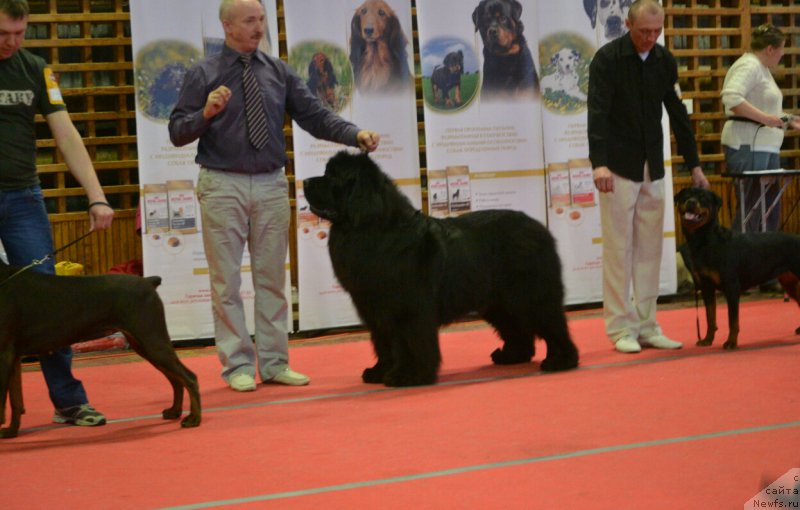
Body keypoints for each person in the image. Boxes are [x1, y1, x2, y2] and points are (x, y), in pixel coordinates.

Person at [169, 0, 380, 392]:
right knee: (226, 283)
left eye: (262, 19)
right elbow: (178, 131)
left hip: (270, 182)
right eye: (249, 20)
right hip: (222, 183)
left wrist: (355, 134)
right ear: (227, 25)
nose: (258, 27)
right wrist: (206, 114)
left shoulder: (278, 71)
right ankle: (237, 366)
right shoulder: (204, 73)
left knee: (272, 280)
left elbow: (315, 116)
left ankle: (275, 363)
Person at [0, 0, 114, 424]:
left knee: (48, 300)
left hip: (23, 199)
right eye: (2, 34)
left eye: (19, 33)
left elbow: (66, 134)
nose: (12, 42)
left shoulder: (35, 69)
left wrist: (96, 196)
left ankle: (68, 401)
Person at [587, 0, 709, 354]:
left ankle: (647, 324)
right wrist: (599, 163)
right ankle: (619, 328)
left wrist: (695, 164)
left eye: (657, 32)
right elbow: (597, 112)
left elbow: (678, 114)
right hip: (617, 167)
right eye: (644, 32)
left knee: (650, 250)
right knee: (619, 250)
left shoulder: (664, 60)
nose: (650, 38)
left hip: (652, 165)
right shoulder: (607, 60)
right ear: (628, 25)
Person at [721, 23, 800, 234]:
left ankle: (766, 253)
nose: (783, 54)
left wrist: (789, 119)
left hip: (765, 146)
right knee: (752, 208)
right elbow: (731, 98)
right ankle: (743, 254)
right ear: (770, 49)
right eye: (782, 48)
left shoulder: (762, 69)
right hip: (748, 145)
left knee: (769, 209)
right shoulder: (749, 65)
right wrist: (766, 119)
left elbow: (765, 108)